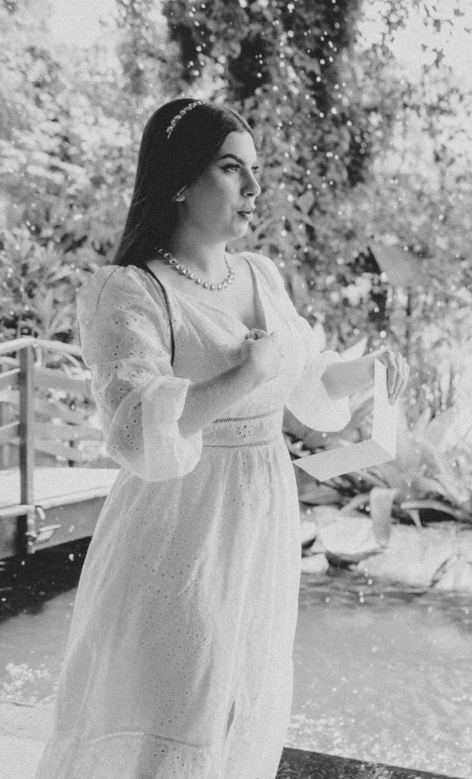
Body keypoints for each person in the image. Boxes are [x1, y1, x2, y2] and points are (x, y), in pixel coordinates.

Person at [34, 98, 408, 778]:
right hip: (180, 521)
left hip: (260, 517)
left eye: (255, 170)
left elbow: (303, 376)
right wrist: (241, 376)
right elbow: (135, 429)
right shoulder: (128, 291)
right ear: (180, 179)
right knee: (180, 705)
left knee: (242, 700)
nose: (255, 188)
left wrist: (368, 370)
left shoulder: (259, 273)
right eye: (233, 169)